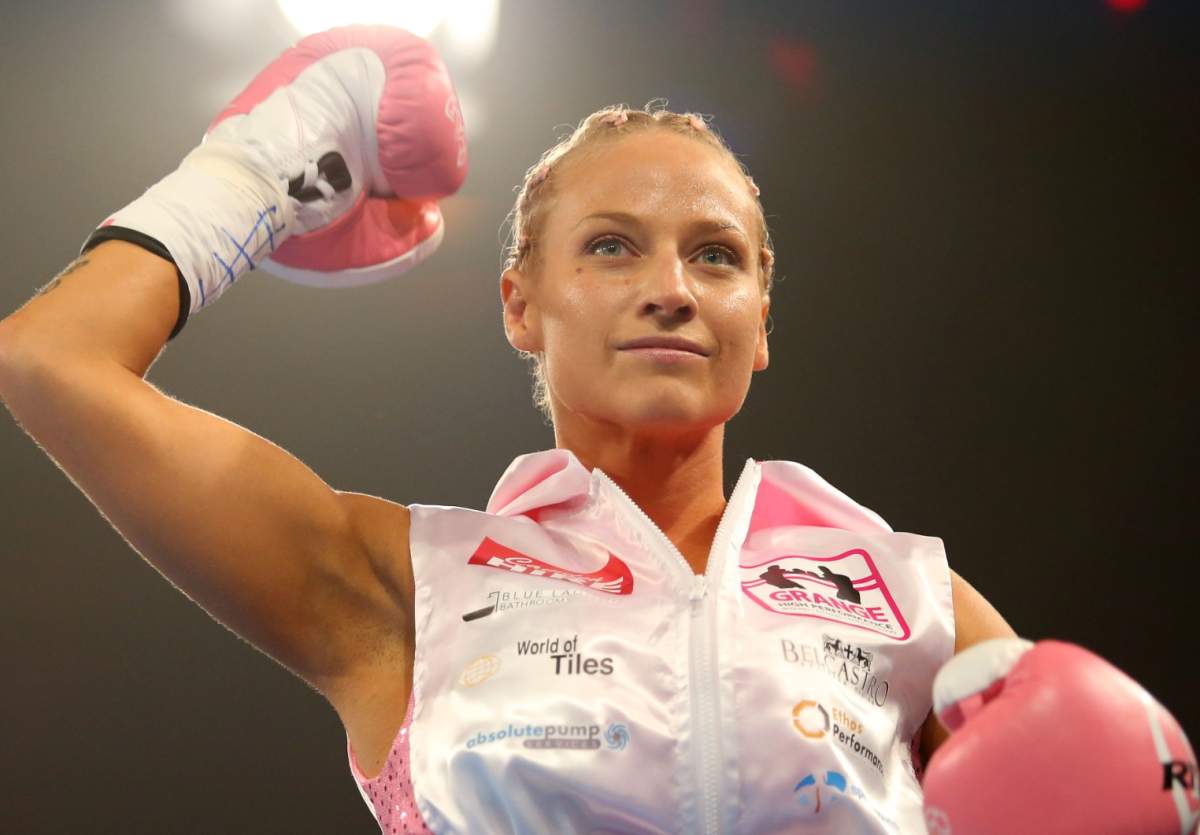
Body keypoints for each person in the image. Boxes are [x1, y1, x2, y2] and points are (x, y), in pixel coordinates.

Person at [0, 25, 1194, 835]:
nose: (671, 288)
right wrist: (265, 167)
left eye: (715, 257)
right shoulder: (402, 584)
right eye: (613, 246)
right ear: (520, 304)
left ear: (760, 323)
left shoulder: (910, 597)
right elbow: (54, 361)